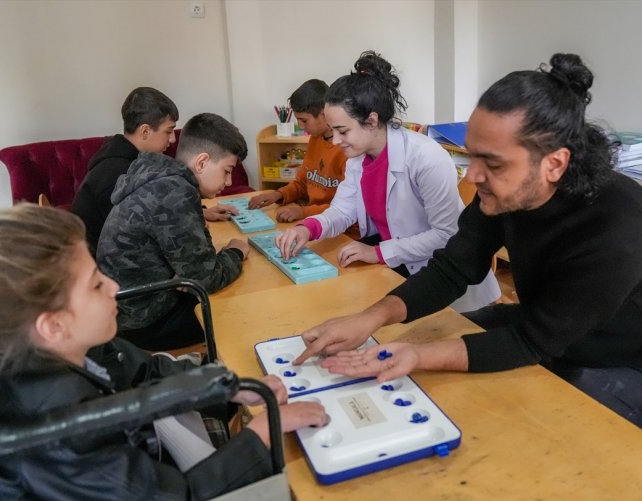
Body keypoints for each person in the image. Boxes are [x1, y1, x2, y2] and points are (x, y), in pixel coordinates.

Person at [306, 53, 642, 436]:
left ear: (554, 164)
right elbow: (453, 267)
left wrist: (418, 356)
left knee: (530, 441)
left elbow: (533, 341)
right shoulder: (505, 191)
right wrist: (372, 317)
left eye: (492, 164)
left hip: (638, 362)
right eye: (473, 157)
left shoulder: (616, 225)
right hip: (549, 326)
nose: (474, 177)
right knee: (419, 354)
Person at [0, 204, 328, 501]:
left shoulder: (57, 346)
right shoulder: (60, 430)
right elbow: (182, 499)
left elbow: (145, 370)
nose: (114, 287)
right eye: (97, 284)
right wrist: (264, 430)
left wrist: (229, 387)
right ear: (52, 325)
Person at [275, 51, 498, 311]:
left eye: (342, 131)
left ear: (372, 120)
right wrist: (307, 228)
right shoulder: (358, 158)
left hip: (444, 278)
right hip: (398, 266)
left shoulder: (426, 157)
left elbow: (446, 234)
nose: (335, 141)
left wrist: (379, 252)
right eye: (333, 131)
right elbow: (342, 210)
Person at [97, 113, 250, 351]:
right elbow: (207, 277)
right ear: (201, 162)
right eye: (227, 170)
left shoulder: (163, 177)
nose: (229, 182)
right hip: (142, 320)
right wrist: (235, 253)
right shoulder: (175, 193)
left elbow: (198, 265)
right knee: (238, 311)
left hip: (125, 305)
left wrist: (193, 271)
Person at [72, 87, 237, 256]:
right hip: (102, 266)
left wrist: (200, 212)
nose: (172, 139)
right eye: (169, 131)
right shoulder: (117, 173)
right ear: (145, 131)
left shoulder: (128, 160)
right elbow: (135, 232)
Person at [248, 79, 359, 237]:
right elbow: (302, 183)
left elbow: (345, 208)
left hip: (342, 231)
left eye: (304, 120)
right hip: (314, 221)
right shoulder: (315, 139)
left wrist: (303, 211)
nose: (300, 126)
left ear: (323, 114)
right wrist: (278, 194)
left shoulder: (347, 150)